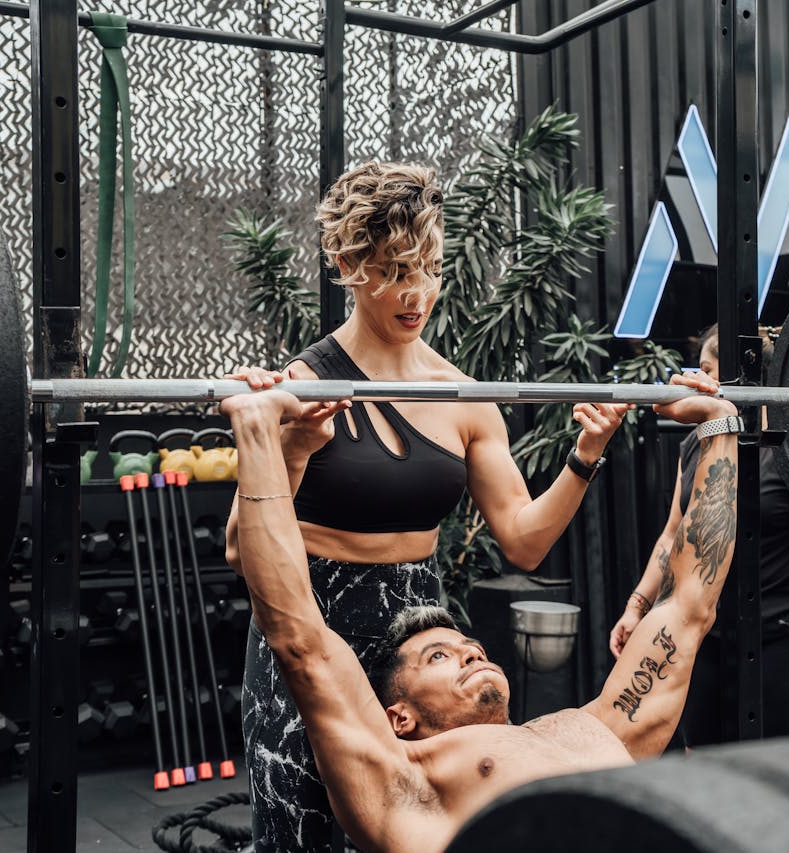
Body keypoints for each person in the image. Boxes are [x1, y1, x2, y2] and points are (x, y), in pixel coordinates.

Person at [226, 162, 631, 851]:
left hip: (422, 643)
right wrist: (292, 443)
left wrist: (583, 456)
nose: (417, 293)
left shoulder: (464, 395)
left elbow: (524, 541)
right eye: (393, 271)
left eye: (429, 269)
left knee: (437, 830)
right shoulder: (299, 383)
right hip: (312, 626)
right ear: (351, 264)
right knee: (306, 835)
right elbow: (242, 546)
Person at [220, 371, 739, 853]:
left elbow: (689, 605)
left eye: (470, 647)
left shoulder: (593, 728)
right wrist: (260, 431)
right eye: (439, 655)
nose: (471, 654)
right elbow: (297, 636)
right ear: (398, 718)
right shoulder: (405, 783)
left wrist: (717, 424)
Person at [608, 325, 789, 743]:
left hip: (778, 635)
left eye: (705, 369)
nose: (695, 380)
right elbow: (671, 537)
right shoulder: (695, 445)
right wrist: (637, 606)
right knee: (701, 757)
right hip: (705, 634)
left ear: (741, 379)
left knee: (770, 771)